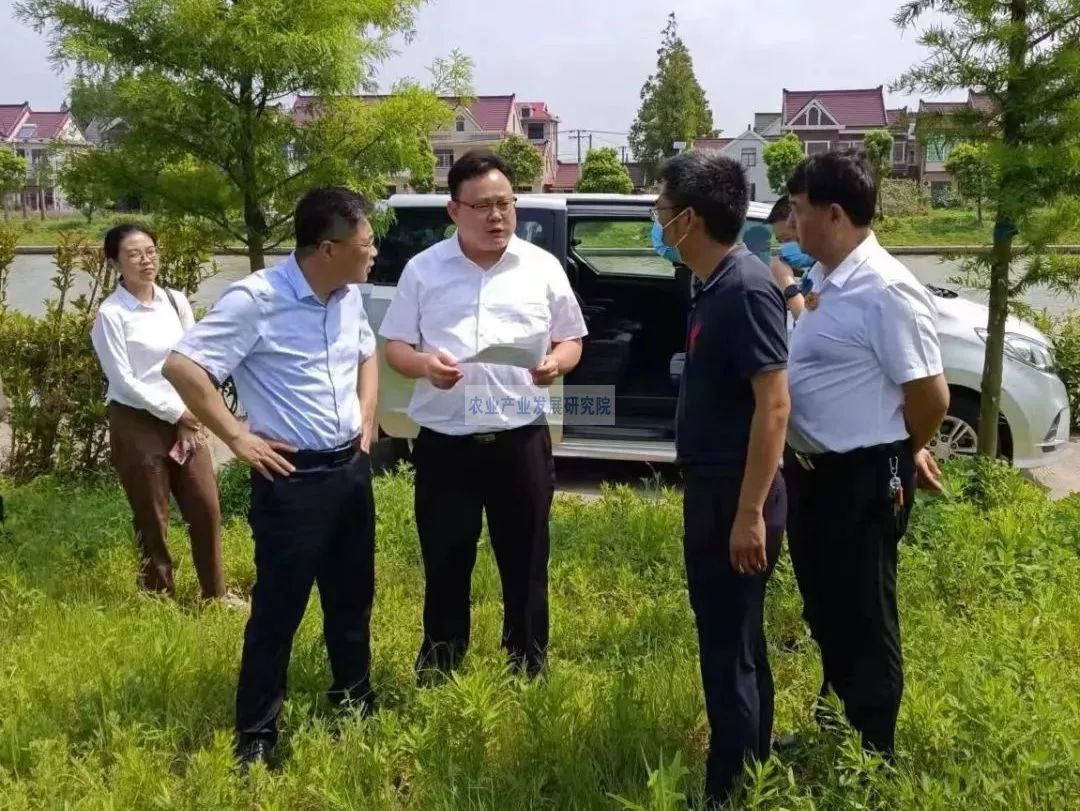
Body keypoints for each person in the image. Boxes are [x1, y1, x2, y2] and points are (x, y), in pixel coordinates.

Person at [161, 187, 381, 769]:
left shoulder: (348, 296)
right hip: (293, 480)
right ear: (328, 248)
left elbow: (367, 353)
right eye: (366, 243)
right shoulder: (256, 299)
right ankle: (256, 736)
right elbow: (182, 366)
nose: (374, 252)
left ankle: (354, 696)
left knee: (352, 596)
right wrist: (236, 437)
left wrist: (367, 417)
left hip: (349, 471)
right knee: (279, 610)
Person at [379, 149, 588, 682]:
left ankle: (527, 663)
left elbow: (572, 339)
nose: (497, 216)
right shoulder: (423, 270)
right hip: (446, 440)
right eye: (483, 206)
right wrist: (425, 366)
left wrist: (556, 363)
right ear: (454, 210)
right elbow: (395, 347)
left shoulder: (541, 267)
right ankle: (441, 662)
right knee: (445, 557)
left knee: (527, 558)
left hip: (520, 437)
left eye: (505, 204)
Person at [784, 150, 949, 760]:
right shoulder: (827, 278)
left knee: (865, 617)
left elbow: (930, 396)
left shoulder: (886, 289)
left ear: (834, 215)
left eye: (798, 211)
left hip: (860, 477)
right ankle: (836, 726)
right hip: (812, 473)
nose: (791, 224)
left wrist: (905, 450)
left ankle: (873, 755)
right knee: (826, 606)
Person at [653, 151, 791, 807]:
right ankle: (753, 767)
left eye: (661, 209)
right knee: (737, 638)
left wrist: (749, 512)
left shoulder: (745, 289)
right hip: (718, 490)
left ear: (688, 219)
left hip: (736, 495)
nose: (656, 221)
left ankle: (728, 792)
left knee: (726, 647)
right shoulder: (712, 284)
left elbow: (775, 405)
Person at [90, 223, 233, 603]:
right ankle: (158, 595)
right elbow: (123, 380)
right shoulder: (111, 314)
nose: (145, 260)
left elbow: (196, 357)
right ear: (115, 263)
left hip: (185, 417)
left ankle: (215, 594)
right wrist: (177, 414)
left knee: (205, 505)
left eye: (150, 251)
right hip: (137, 421)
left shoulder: (175, 301)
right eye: (134, 254)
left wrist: (191, 413)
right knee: (152, 513)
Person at [765, 195, 815, 323]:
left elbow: (810, 325)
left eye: (787, 239)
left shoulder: (832, 274)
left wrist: (787, 284)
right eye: (780, 241)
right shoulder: (812, 272)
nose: (783, 248)